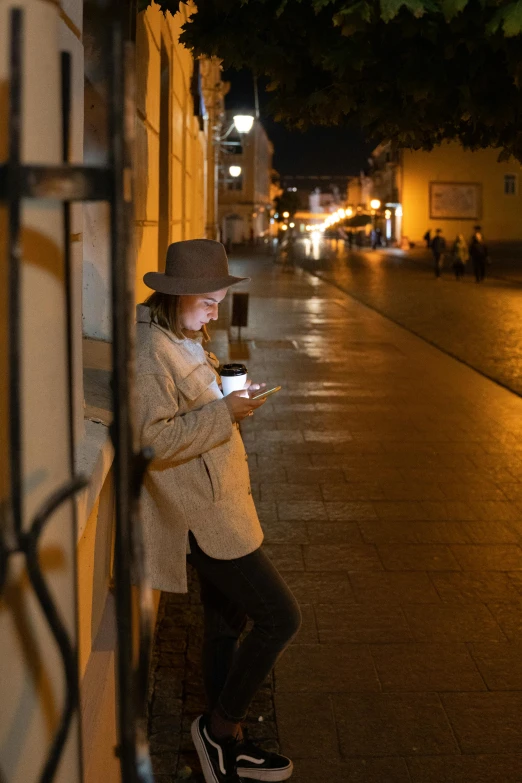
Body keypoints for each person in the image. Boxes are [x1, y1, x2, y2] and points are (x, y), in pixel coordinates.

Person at [135, 239, 301, 783]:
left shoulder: (185, 338)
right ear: (175, 296)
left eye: (216, 301)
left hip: (226, 499)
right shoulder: (149, 352)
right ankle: (216, 727)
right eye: (207, 301)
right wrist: (223, 413)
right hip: (204, 516)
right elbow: (151, 441)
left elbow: (200, 418)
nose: (214, 311)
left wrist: (233, 407)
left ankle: (228, 746)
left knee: (226, 623)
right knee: (280, 617)